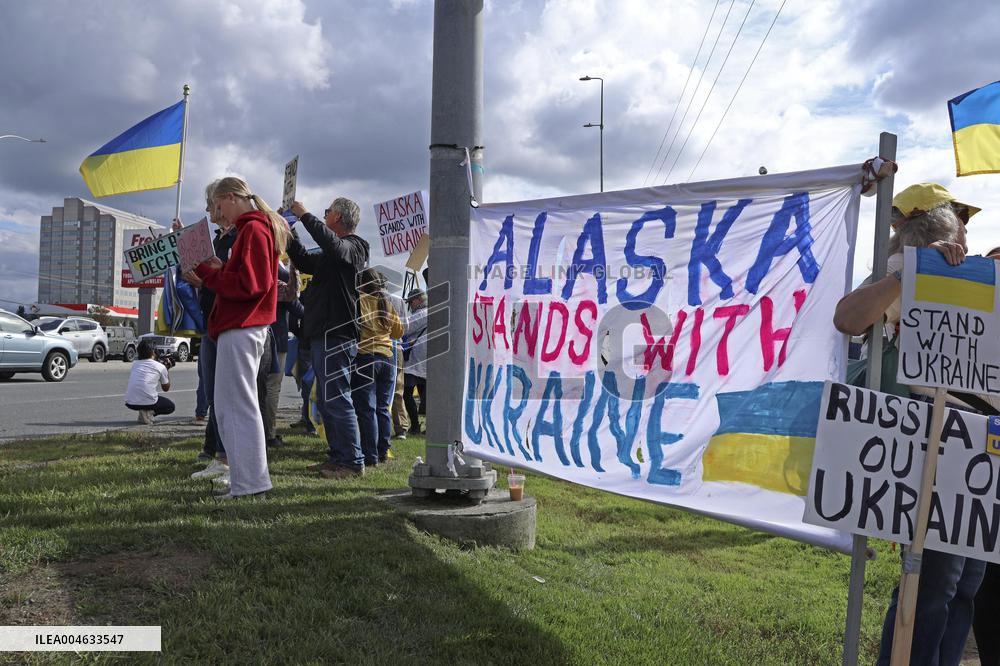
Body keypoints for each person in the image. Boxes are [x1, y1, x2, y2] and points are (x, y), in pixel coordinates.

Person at [834, 183, 986, 666]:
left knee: (966, 581)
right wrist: (914, 270)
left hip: (983, 437)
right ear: (927, 226)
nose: (966, 230)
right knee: (935, 578)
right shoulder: (902, 271)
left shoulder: (975, 272)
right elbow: (849, 319)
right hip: (937, 435)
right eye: (958, 218)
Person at [191, 176, 286, 500]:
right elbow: (249, 279)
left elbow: (251, 285)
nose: (218, 214)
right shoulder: (254, 228)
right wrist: (219, 268)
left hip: (242, 327)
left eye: (218, 206)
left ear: (230, 197)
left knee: (237, 408)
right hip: (242, 327)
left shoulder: (253, 229)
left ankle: (251, 484)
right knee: (233, 407)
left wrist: (208, 272)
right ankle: (247, 482)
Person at [286, 197, 370, 479]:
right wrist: (289, 230)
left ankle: (352, 462)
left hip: (338, 334)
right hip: (323, 333)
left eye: (328, 211)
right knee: (326, 400)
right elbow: (302, 259)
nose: (324, 214)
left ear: (340, 217)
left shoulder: (355, 246)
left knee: (337, 399)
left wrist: (305, 214)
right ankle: (337, 457)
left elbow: (333, 246)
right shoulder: (331, 254)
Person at [352, 269, 404, 466]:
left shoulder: (359, 300)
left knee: (366, 409)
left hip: (365, 357)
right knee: (383, 408)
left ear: (362, 284)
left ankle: (370, 455)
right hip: (388, 358)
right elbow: (399, 333)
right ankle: (384, 450)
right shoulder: (386, 303)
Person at [124, 340, 175, 424]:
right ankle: (149, 413)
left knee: (146, 398)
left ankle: (143, 413)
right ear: (153, 352)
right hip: (148, 402)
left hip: (130, 402)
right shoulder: (160, 367)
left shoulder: (135, 364)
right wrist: (166, 369)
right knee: (170, 406)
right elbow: (166, 388)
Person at [402, 288, 427, 436]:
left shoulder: (421, 314)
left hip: (415, 359)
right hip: (426, 361)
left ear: (418, 300)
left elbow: (405, 328)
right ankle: (430, 427)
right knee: (425, 395)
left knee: (407, 393)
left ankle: (415, 426)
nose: (410, 305)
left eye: (411, 301)